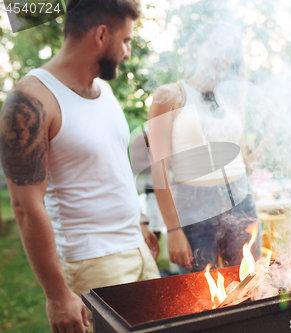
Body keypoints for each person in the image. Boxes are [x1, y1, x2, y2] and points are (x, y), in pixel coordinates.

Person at [0, 1, 160, 332]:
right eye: (126, 41)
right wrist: (57, 295)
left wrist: (140, 222)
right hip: (95, 263)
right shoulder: (29, 101)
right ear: (102, 35)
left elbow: (113, 165)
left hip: (138, 249)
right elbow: (25, 206)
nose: (128, 52)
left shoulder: (105, 91)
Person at [145, 23, 276, 273]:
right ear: (196, 48)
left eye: (229, 53)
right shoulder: (169, 95)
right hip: (194, 206)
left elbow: (244, 163)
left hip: (241, 199)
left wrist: (271, 133)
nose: (223, 57)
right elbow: (158, 167)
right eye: (216, 47)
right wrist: (173, 230)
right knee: (199, 299)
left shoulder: (231, 100)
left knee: (249, 288)